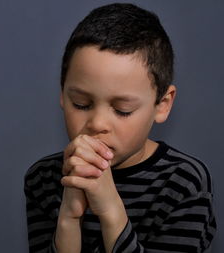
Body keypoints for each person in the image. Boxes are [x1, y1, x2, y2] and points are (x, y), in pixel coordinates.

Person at [24, 3, 217, 253]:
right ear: (62, 94)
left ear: (162, 105)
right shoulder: (43, 180)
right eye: (81, 104)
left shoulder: (183, 183)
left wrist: (111, 211)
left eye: (122, 110)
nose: (97, 124)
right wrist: (69, 220)